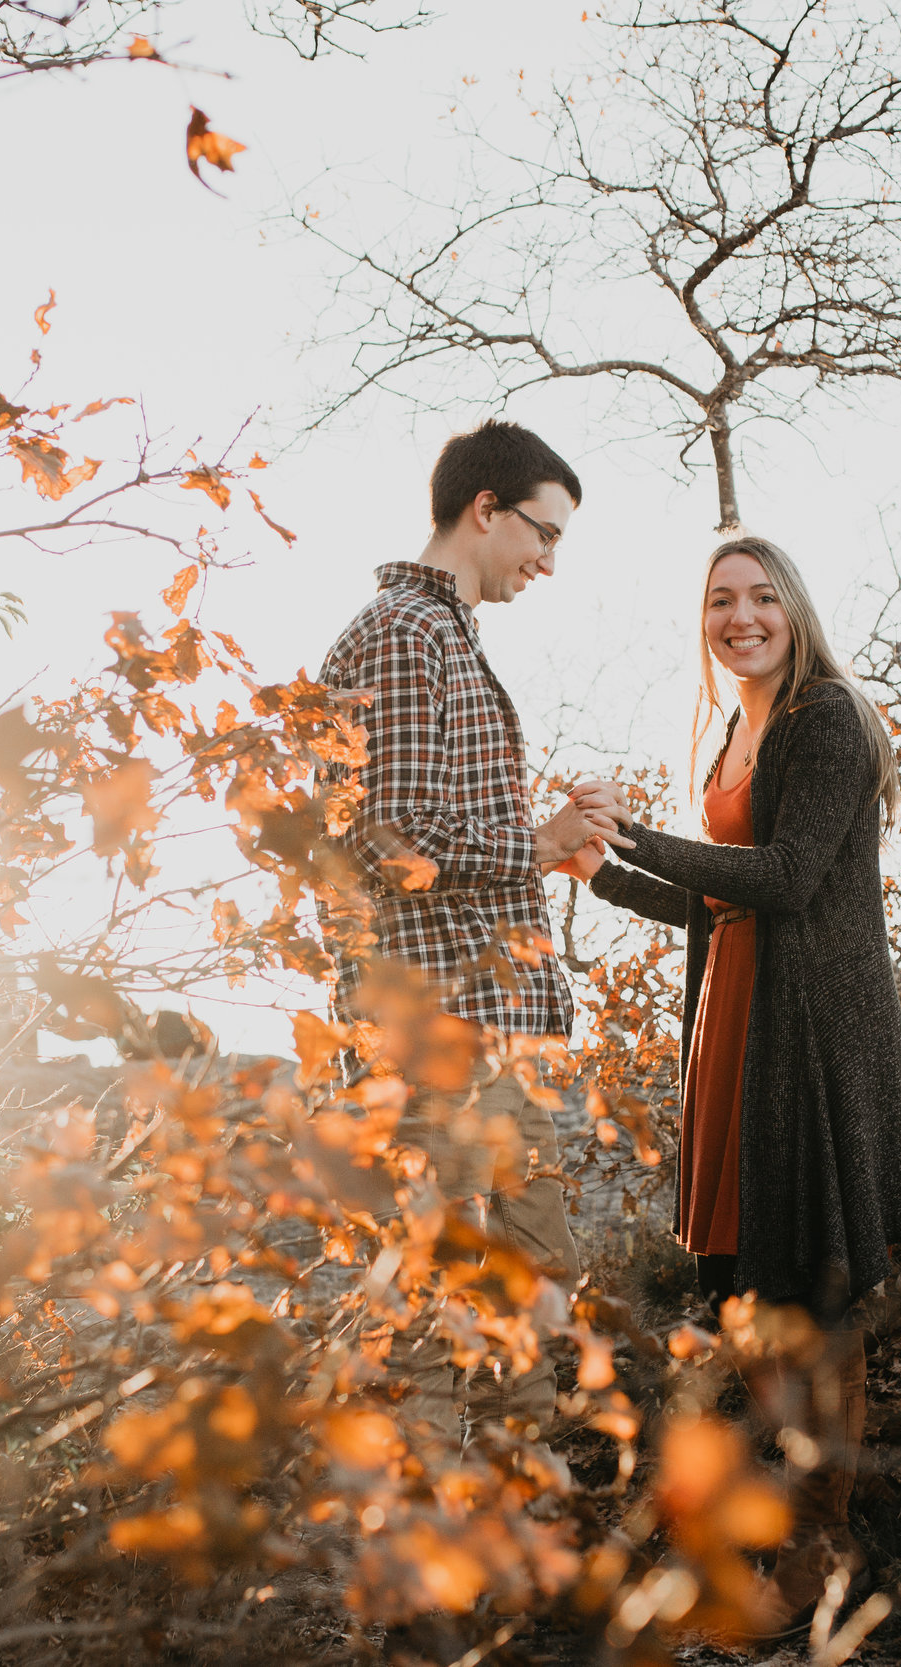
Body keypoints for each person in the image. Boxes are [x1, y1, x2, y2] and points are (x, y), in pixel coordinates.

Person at [571, 534, 901, 1619]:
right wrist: (607, 871)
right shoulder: (735, 726)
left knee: (812, 1291)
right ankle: (780, 1540)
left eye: (762, 596)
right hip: (738, 1033)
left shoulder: (825, 720)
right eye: (721, 599)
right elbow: (722, 907)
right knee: (755, 1296)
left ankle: (823, 1554)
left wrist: (635, 825)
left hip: (812, 1039)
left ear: (795, 608)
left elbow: (782, 878)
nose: (741, 615)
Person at [318, 418, 617, 1454]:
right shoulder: (402, 633)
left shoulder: (447, 639)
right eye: (544, 530)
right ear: (483, 509)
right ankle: (433, 1588)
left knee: (530, 1288)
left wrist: (557, 843)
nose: (549, 559)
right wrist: (533, 844)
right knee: (437, 1317)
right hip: (432, 1034)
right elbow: (389, 836)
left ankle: (515, 1549)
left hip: (490, 1034)